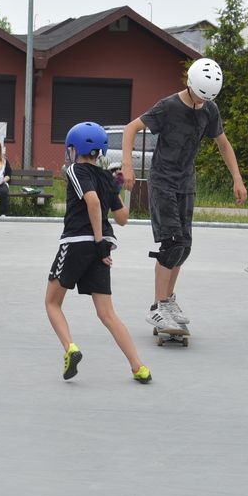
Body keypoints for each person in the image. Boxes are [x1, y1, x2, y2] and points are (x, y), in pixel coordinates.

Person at [120, 58, 247, 331]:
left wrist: (237, 178)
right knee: (173, 244)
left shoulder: (209, 110)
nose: (201, 103)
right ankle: (157, 307)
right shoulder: (167, 106)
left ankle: (168, 301)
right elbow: (131, 128)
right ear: (189, 84)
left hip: (186, 183)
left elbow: (223, 143)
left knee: (184, 247)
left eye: (207, 99)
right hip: (163, 182)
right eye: (199, 97)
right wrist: (127, 166)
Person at [45, 122, 151, 384]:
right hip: (101, 247)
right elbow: (123, 218)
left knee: (52, 303)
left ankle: (71, 347)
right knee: (107, 313)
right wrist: (122, 191)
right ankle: (138, 366)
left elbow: (91, 201)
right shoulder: (106, 177)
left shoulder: (74, 170)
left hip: (79, 242)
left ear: (74, 149)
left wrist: (98, 240)